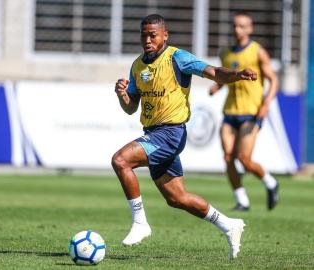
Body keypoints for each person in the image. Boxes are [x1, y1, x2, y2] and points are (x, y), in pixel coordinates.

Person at [111, 14, 258, 259]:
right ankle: (229, 224)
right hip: (153, 133)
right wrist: (121, 94)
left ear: (164, 35)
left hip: (171, 133)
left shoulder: (177, 58)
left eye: (153, 35)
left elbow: (214, 72)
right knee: (176, 198)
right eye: (144, 35)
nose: (147, 40)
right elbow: (131, 107)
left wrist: (236, 74)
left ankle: (140, 223)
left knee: (121, 160)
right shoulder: (138, 65)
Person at [209, 12, 279, 211]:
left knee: (244, 159)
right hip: (230, 112)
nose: (237, 29)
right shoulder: (225, 53)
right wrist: (217, 87)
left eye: (241, 26)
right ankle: (242, 200)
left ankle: (271, 183)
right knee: (228, 156)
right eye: (235, 26)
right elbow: (226, 77)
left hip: (251, 112)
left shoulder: (257, 51)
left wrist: (266, 104)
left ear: (250, 29)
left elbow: (274, 80)